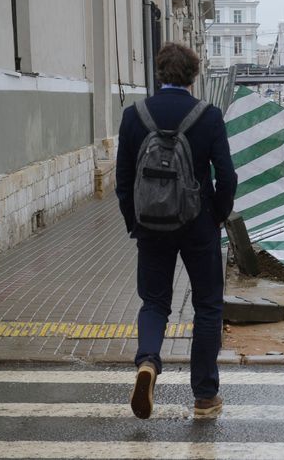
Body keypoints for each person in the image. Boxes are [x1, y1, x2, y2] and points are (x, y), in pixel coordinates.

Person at [115, 42, 238, 419]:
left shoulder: (134, 115)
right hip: (198, 223)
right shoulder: (209, 115)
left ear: (159, 74)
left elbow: (123, 178)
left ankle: (148, 362)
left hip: (151, 224)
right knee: (207, 306)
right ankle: (204, 396)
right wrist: (216, 214)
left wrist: (134, 221)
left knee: (154, 302)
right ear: (193, 75)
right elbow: (227, 176)